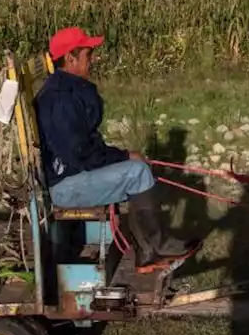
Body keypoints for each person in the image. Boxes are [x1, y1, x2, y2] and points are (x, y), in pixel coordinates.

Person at [33, 25, 198, 273]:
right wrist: (122, 156)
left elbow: (83, 149)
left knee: (136, 168)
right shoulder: (60, 101)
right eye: (88, 55)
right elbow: (81, 154)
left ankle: (149, 253)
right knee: (138, 172)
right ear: (70, 58)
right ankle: (155, 248)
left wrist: (119, 157)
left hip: (71, 174)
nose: (93, 59)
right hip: (65, 186)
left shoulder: (65, 90)